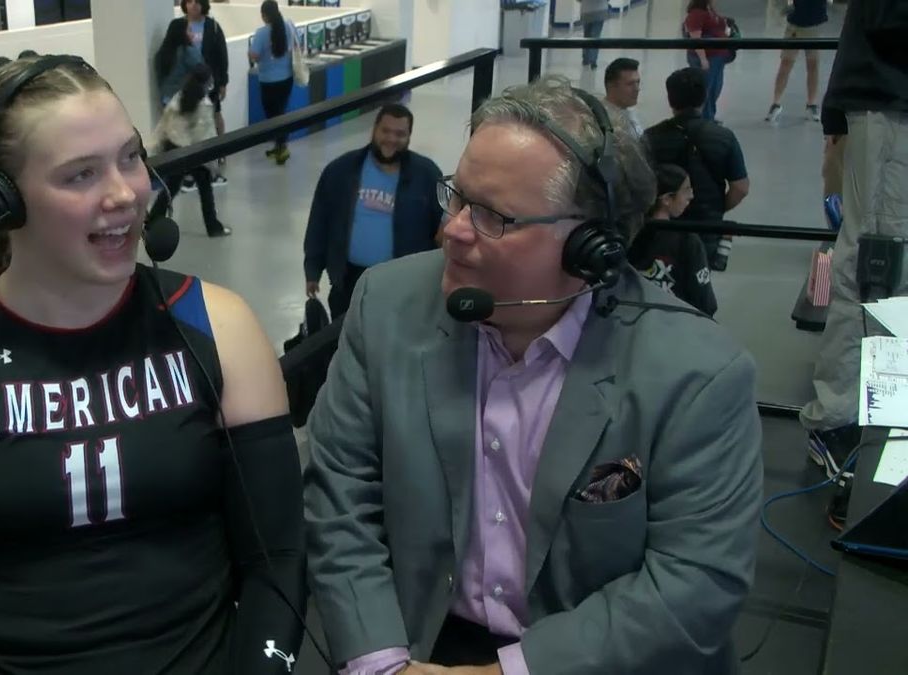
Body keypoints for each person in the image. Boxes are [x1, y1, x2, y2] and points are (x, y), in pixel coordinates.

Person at [0, 55, 306, 674]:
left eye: (130, 157)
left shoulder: (218, 328)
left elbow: (276, 561)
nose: (123, 193)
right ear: (2, 202)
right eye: (80, 175)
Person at [303, 76, 761, 675]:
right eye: (457, 198)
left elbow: (695, 583)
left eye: (493, 216)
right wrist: (382, 663)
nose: (453, 231)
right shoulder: (386, 304)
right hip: (419, 638)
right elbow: (340, 496)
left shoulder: (698, 374)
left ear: (590, 249)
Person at [801, 0, 908, 529]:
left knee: (885, 268)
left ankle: (868, 422)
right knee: (881, 271)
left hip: (887, 105)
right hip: (891, 107)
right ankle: (850, 426)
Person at [303, 103, 444, 319]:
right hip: (349, 279)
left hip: (402, 283)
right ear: (374, 130)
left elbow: (443, 229)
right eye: (385, 131)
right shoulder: (341, 170)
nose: (391, 139)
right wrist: (313, 269)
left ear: (409, 137)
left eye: (400, 134)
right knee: (345, 341)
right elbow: (320, 219)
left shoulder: (426, 175)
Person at [644, 67, 750, 272]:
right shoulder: (724, 137)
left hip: (664, 227)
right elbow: (741, 188)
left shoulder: (651, 137)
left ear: (670, 99)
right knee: (700, 280)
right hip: (706, 227)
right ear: (705, 96)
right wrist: (717, 208)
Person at [150, 65, 232, 237]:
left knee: (171, 187)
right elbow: (205, 135)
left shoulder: (179, 98)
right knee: (205, 190)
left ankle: (152, 220)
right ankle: (213, 227)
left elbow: (165, 124)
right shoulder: (204, 104)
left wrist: (157, 145)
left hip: (175, 148)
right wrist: (213, 162)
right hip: (195, 152)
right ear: (206, 82)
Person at [628, 163, 717, 316]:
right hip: (674, 328)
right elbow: (706, 304)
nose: (691, 195)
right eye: (686, 189)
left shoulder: (627, 233)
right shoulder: (687, 241)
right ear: (667, 199)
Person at [169, 0, 230, 187]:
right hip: (187, 86)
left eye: (197, 2)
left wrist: (223, 82)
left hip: (209, 83)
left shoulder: (212, 27)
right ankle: (192, 163)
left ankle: (219, 152)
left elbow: (221, 54)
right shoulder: (179, 26)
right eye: (189, 2)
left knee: (214, 116)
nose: (193, 5)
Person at [249, 0, 298, 165]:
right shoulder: (289, 25)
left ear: (263, 15)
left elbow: (254, 56)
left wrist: (250, 53)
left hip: (269, 82)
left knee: (273, 117)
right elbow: (297, 45)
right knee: (281, 112)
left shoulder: (262, 33)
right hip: (287, 78)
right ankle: (279, 146)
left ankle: (282, 147)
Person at [766, 0, 830, 123]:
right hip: (795, 24)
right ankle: (776, 103)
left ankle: (811, 104)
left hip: (815, 23)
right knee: (786, 63)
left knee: (813, 64)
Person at [683, 0, 730, 121]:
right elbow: (695, 38)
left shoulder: (709, 10)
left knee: (714, 89)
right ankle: (704, 120)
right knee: (705, 91)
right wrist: (703, 59)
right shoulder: (696, 13)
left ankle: (709, 117)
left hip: (717, 57)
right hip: (707, 57)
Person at [602, 57, 644, 137]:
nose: (637, 89)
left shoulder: (628, 113)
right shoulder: (605, 122)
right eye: (630, 84)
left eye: (638, 82)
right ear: (611, 86)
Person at [577, 0, 610, 69]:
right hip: (600, 10)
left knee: (586, 36)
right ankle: (593, 61)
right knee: (596, 36)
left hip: (586, 10)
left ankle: (586, 59)